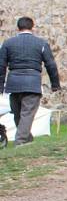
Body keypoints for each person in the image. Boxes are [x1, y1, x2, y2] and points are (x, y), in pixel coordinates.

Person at [0, 16, 60, 146]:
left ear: (18, 27)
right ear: (32, 27)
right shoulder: (41, 43)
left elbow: (1, 66)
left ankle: (27, 139)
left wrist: (1, 86)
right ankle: (21, 141)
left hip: (14, 83)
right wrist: (55, 84)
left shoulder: (8, 43)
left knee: (18, 114)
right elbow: (51, 64)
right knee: (26, 114)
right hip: (32, 82)